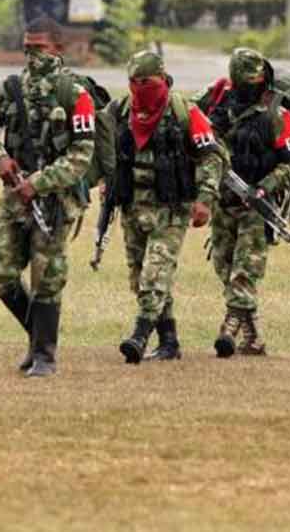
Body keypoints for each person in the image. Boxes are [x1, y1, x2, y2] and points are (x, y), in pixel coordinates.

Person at [0, 18, 96, 378]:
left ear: (58, 49)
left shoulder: (75, 93)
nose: (31, 55)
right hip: (15, 197)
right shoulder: (8, 89)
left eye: (38, 48)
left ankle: (44, 355)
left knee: (47, 276)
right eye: (26, 48)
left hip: (55, 200)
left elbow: (81, 155)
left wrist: (39, 183)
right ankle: (36, 333)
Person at [97, 50, 226, 363]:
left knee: (155, 273)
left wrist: (205, 199)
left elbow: (211, 157)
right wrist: (105, 181)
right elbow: (105, 149)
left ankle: (139, 336)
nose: (141, 87)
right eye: (134, 81)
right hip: (132, 206)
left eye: (147, 81)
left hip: (171, 208)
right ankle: (169, 341)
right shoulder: (120, 109)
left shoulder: (185, 112)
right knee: (140, 276)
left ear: (162, 77)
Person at [194, 47, 290, 358]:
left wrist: (265, 188)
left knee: (245, 269)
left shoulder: (277, 115)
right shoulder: (217, 107)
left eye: (256, 82)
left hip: (256, 205)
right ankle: (253, 338)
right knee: (224, 265)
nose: (251, 88)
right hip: (223, 201)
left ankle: (228, 330)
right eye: (246, 82)